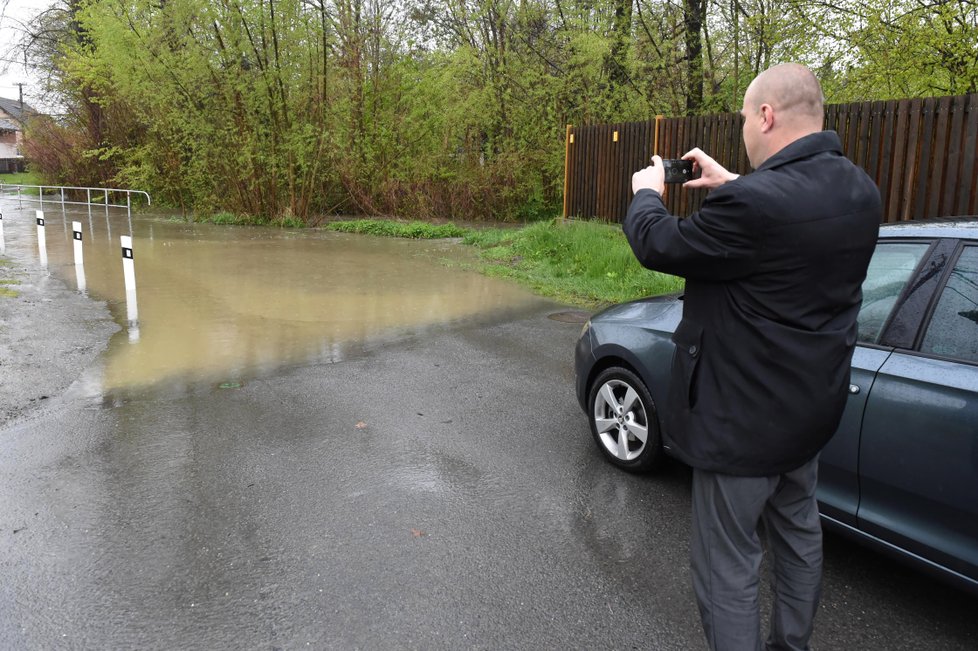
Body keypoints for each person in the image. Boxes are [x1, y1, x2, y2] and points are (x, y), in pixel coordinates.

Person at [622, 63, 881, 650]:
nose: (742, 127)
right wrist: (731, 180)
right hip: (809, 415)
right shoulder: (858, 189)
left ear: (766, 116)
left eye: (743, 117)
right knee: (798, 538)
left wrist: (645, 195)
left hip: (742, 428)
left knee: (728, 565)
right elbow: (791, 218)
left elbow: (659, 243)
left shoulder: (756, 208)